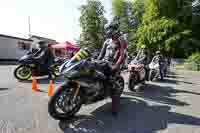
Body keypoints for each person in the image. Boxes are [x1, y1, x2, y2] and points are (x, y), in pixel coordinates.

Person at [97, 21, 127, 117]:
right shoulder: (106, 41)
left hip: (115, 64)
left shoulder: (121, 40)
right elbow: (101, 55)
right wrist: (95, 61)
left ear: (114, 29)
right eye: (106, 30)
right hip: (105, 63)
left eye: (109, 29)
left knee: (112, 83)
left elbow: (122, 55)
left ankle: (115, 107)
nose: (107, 31)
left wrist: (116, 66)